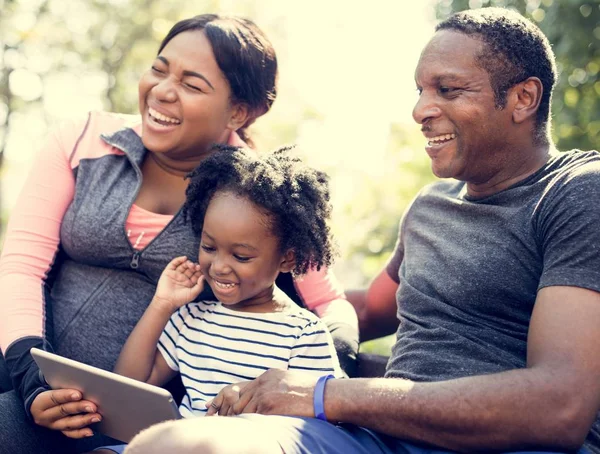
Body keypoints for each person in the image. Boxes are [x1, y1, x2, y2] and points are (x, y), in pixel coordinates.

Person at [122, 7, 600, 454]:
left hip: (498, 445)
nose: (420, 110)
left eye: (448, 90)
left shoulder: (576, 192)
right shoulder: (431, 207)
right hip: (379, 441)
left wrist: (328, 394)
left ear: (523, 98)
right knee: (172, 444)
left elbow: (561, 403)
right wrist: (243, 291)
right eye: (420, 91)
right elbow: (370, 308)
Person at [0, 14, 357, 454]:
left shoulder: (255, 197)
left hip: (137, 422)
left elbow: (328, 302)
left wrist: (329, 366)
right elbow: (20, 267)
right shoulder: (82, 141)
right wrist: (32, 383)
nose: (162, 90)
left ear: (238, 111)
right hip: (33, 379)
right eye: (159, 68)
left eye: (192, 84)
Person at [94, 146, 343, 454]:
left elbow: (323, 426)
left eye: (241, 256)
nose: (219, 266)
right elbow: (129, 385)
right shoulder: (191, 318)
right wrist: (162, 305)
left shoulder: (303, 333)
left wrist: (252, 403)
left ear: (287, 259)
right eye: (209, 247)